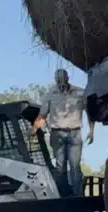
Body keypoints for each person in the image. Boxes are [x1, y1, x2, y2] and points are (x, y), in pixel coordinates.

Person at [29, 68, 95, 197]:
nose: (61, 83)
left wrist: (92, 130)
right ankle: (64, 196)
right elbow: (43, 115)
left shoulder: (80, 92)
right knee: (60, 167)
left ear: (68, 78)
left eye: (63, 80)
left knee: (75, 166)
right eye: (59, 81)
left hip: (74, 133)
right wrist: (34, 129)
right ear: (56, 81)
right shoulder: (50, 94)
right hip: (57, 134)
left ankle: (78, 197)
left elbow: (89, 111)